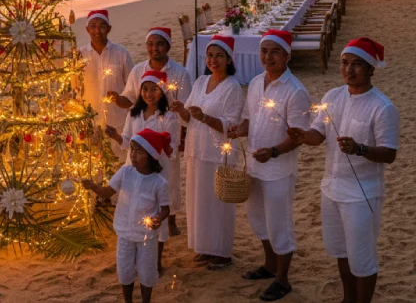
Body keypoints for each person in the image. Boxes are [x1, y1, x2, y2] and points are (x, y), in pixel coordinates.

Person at [288, 38, 398, 303]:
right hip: (331, 189)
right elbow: (318, 134)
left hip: (362, 195)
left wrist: (360, 149)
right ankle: (348, 298)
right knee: (342, 252)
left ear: (371, 68)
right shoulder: (332, 97)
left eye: (357, 64)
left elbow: (390, 154)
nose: (349, 70)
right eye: (345, 63)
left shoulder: (383, 107)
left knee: (363, 258)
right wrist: (302, 136)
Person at [227, 31, 310, 301]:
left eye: (275, 52)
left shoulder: (295, 91)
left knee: (279, 224)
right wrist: (237, 130)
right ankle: (269, 264)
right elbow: (250, 118)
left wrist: (274, 151)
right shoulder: (254, 82)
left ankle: (283, 279)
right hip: (253, 163)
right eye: (264, 51)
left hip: (277, 169)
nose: (268, 57)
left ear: (288, 55)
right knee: (257, 218)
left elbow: (298, 135)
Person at [170, 35, 243, 270]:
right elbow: (189, 117)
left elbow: (231, 124)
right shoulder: (201, 81)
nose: (213, 60)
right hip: (196, 149)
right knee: (198, 202)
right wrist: (182, 110)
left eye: (219, 56)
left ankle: (221, 252)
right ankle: (204, 247)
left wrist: (204, 117)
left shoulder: (233, 88)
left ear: (228, 59)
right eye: (210, 55)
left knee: (218, 204)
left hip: (217, 153)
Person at [110, 26, 192, 234]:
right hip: (142, 129)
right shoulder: (138, 70)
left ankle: (170, 218)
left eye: (159, 44)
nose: (154, 48)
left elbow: (186, 106)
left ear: (168, 46)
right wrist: (117, 99)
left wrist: (179, 137)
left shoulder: (180, 73)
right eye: (150, 44)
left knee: (169, 178)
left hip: (167, 132)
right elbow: (130, 97)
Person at [83, 129, 171, 303]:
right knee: (125, 269)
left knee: (147, 271)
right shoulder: (125, 172)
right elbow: (107, 191)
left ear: (151, 156)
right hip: (124, 231)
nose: (133, 155)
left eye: (139, 152)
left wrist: (158, 219)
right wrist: (93, 187)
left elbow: (165, 208)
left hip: (146, 235)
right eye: (132, 150)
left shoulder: (159, 183)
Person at [107, 70, 179, 274]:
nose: (149, 94)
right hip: (133, 169)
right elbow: (128, 141)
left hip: (157, 171)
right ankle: (133, 253)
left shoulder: (169, 117)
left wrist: (160, 147)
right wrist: (116, 137)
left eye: (154, 89)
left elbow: (172, 147)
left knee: (155, 211)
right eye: (145, 89)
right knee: (133, 208)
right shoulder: (133, 113)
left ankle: (156, 260)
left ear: (162, 91)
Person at [78, 9, 134, 161]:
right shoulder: (79, 55)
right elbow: (74, 89)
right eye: (93, 26)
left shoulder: (122, 53)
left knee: (120, 163)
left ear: (109, 28)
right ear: (87, 29)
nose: (97, 31)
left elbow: (133, 89)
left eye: (102, 26)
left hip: (117, 122)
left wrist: (119, 98)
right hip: (89, 123)